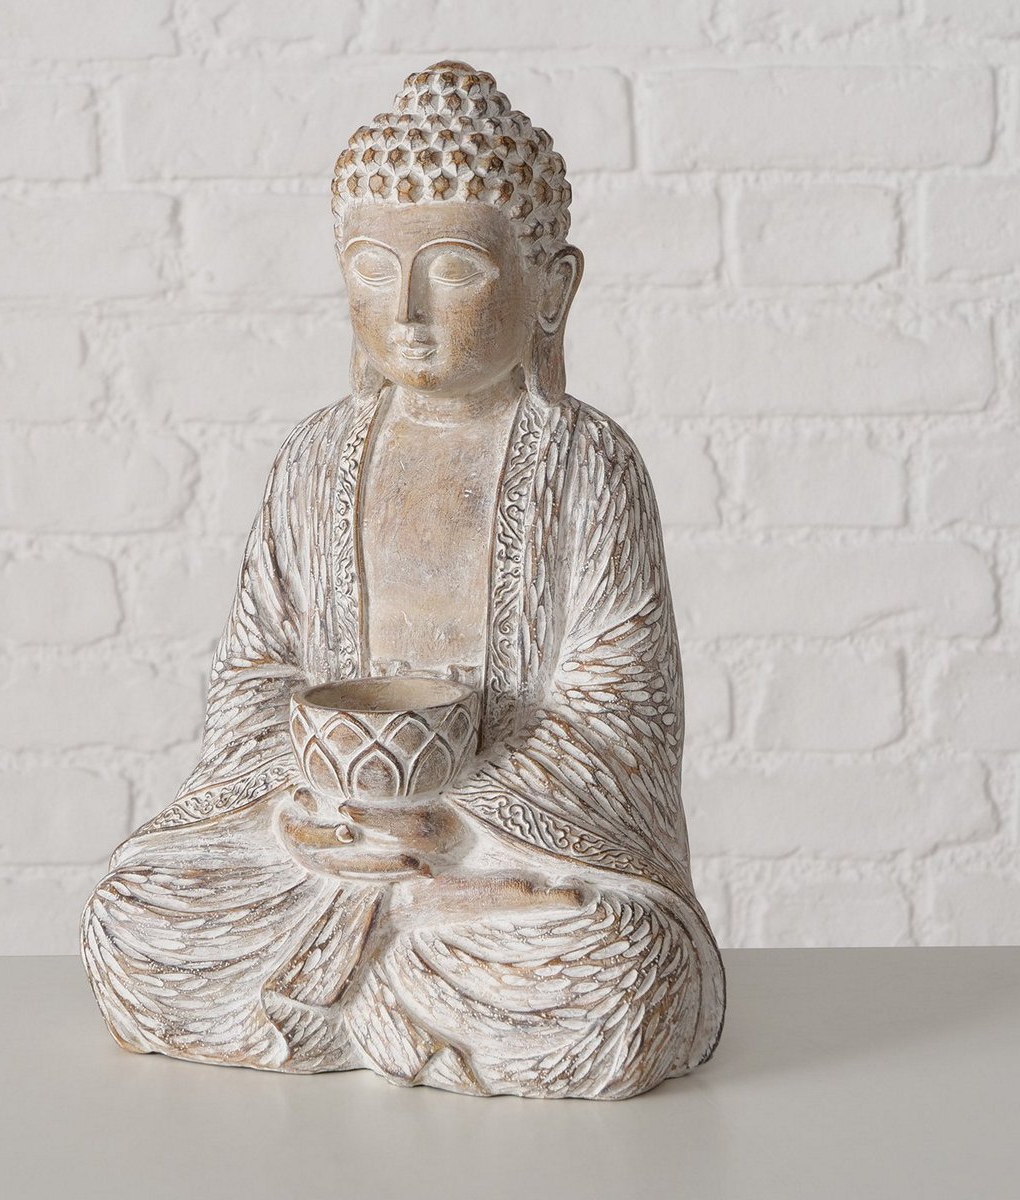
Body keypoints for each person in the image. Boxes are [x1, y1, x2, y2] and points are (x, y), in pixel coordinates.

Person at [82, 61, 724, 1100]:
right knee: (136, 915)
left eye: (456, 269)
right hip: (326, 845)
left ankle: (375, 982)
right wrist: (303, 812)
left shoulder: (588, 465)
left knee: (621, 972)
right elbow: (256, 674)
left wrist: (456, 823)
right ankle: (395, 997)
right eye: (374, 269)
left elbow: (619, 714)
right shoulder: (315, 458)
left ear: (551, 289)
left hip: (498, 863)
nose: (409, 310)